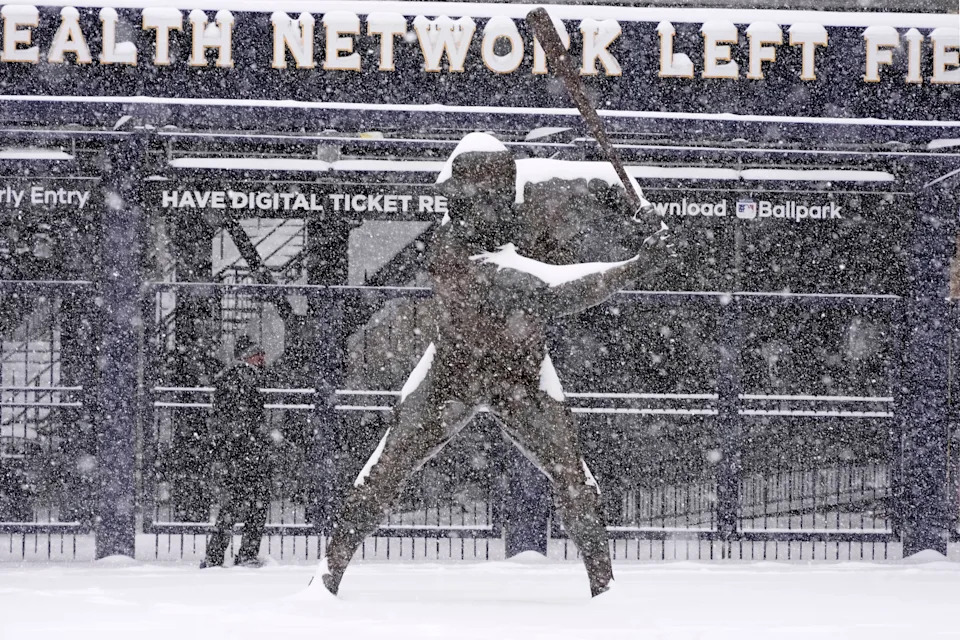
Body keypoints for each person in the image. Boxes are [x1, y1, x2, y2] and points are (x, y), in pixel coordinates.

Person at [307, 133, 671, 598]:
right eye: (465, 201)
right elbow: (551, 291)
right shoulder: (457, 254)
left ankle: (605, 590)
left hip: (523, 374)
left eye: (485, 200)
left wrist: (634, 206)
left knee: (573, 479)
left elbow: (595, 177)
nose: (470, 211)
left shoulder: (525, 194)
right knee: (385, 471)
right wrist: (635, 266)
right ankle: (326, 578)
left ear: (506, 194)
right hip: (451, 375)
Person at [200, 335, 271, 568]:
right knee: (254, 504)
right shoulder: (245, 379)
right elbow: (242, 419)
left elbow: (226, 419)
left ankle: (215, 556)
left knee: (234, 505)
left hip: (237, 453)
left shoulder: (231, 379)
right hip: (245, 453)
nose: (262, 358)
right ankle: (246, 554)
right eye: (257, 353)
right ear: (248, 356)